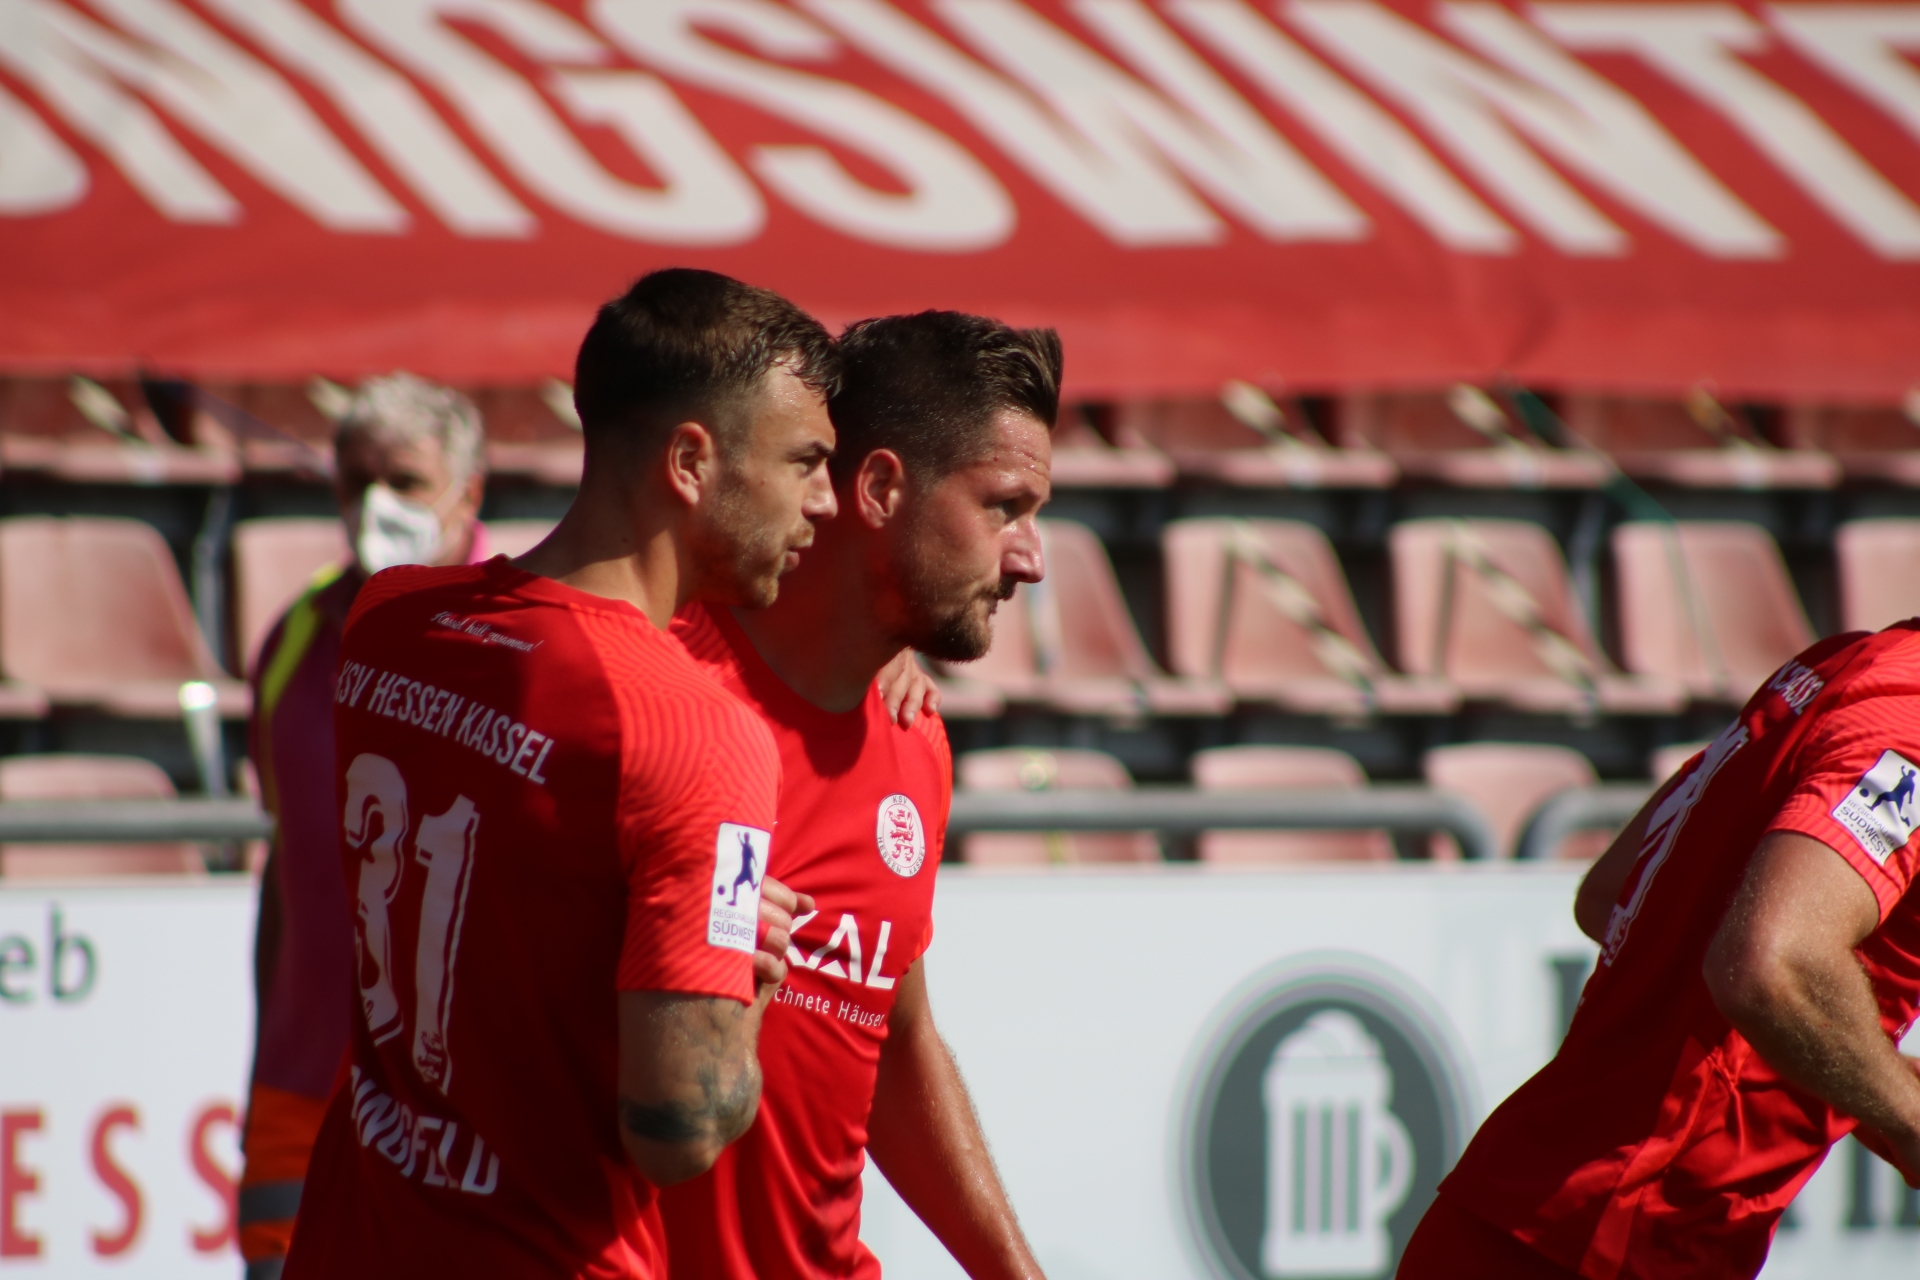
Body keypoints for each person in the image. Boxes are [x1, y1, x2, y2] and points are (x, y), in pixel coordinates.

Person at [282, 269, 832, 1278]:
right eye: (805, 460)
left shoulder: (389, 620)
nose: (824, 501)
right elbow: (681, 1123)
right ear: (693, 459)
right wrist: (746, 972)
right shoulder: (705, 736)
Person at [659, 311, 1056, 1280]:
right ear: (877, 487)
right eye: (1003, 507)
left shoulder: (916, 740)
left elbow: (892, 1035)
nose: (1031, 556)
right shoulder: (657, 688)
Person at [1399, 623, 1920, 1280]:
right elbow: (1770, 964)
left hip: (1531, 1214)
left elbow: (1613, 892)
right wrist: (1906, 1114)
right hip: (1615, 1234)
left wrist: (1857, 1065)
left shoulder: (1844, 666)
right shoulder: (1909, 728)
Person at [240, 372, 491, 1278]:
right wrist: (261, 1066)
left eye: (407, 482)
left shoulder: (528, 632)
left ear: (470, 492)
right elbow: (286, 873)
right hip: (300, 1095)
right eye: (356, 480)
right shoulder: (293, 638)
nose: (376, 504)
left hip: (468, 1109)